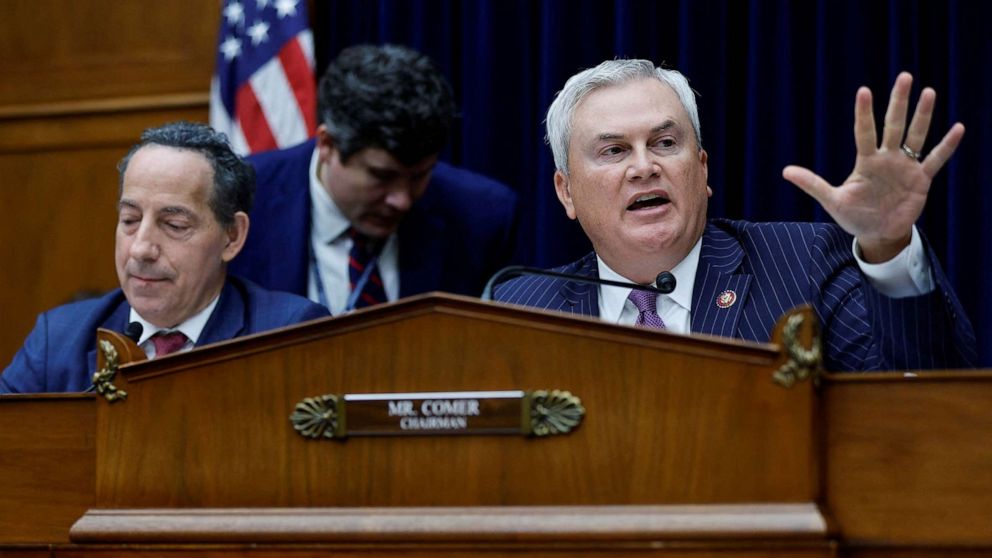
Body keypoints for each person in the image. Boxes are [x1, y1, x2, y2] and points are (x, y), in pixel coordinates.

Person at [493, 59, 976, 371]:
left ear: (701, 169)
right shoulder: (521, 309)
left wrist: (888, 245)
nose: (644, 167)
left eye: (665, 143)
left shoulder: (802, 265)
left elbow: (914, 397)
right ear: (566, 192)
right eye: (614, 151)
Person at [0, 122, 329, 393]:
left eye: (174, 225)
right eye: (130, 220)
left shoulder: (287, 335)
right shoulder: (57, 339)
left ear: (232, 236)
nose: (141, 248)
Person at [229, 44, 518, 313]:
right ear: (328, 144)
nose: (402, 201)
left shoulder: (481, 217)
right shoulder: (241, 199)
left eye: (419, 176)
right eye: (382, 176)